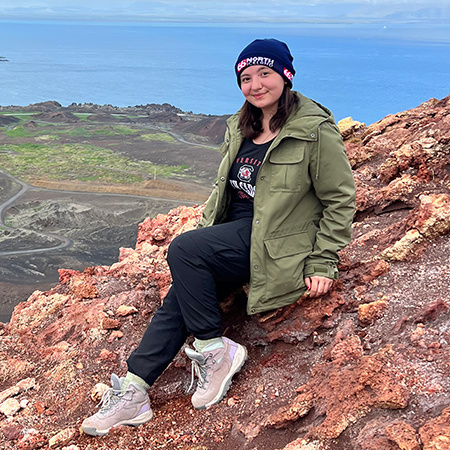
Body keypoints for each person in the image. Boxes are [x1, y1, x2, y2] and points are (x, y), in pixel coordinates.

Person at [81, 38, 356, 436]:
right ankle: (136, 391)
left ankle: (215, 349)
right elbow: (226, 190)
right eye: (246, 77)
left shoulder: (314, 132)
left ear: (285, 75)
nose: (256, 84)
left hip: (278, 244)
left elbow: (340, 199)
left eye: (265, 73)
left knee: (184, 248)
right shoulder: (240, 126)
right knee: (179, 299)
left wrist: (322, 260)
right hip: (238, 236)